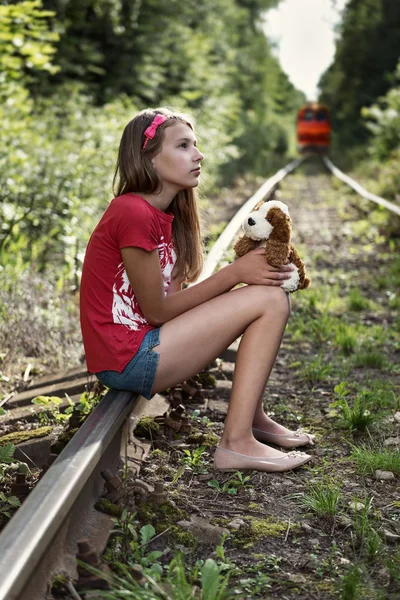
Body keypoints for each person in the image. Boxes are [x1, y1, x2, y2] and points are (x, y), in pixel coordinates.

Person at [80, 107, 315, 473]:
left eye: (196, 145)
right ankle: (236, 443)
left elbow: (174, 303)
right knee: (269, 299)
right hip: (127, 357)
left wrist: (242, 280)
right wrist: (235, 274)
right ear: (150, 159)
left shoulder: (165, 215)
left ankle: (252, 419)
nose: (198, 154)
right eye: (184, 146)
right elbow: (159, 311)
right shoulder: (131, 212)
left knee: (268, 296)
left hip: (148, 343)